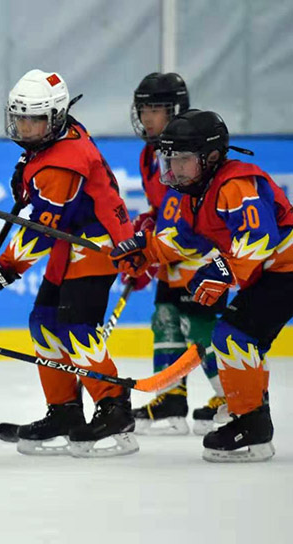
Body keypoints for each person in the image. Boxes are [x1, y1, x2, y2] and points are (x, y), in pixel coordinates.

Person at [0, 69, 137, 457]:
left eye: (35, 119)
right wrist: (29, 179)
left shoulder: (61, 165)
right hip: (71, 242)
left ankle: (114, 408)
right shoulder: (58, 137)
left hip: (97, 245)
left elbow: (42, 231)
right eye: (20, 118)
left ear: (55, 117)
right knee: (44, 323)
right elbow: (50, 214)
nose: (25, 128)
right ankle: (65, 412)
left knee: (77, 328)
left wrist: (2, 270)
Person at [111, 109, 293, 462]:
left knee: (236, 337)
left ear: (210, 157)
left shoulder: (234, 184)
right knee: (233, 337)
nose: (175, 168)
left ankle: (252, 425)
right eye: (171, 159)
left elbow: (260, 237)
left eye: (183, 160)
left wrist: (222, 269)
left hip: (285, 269)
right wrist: (145, 249)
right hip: (271, 272)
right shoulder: (194, 191)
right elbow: (183, 240)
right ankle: (248, 417)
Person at [129, 72, 227, 436]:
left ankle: (234, 398)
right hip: (169, 251)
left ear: (175, 109)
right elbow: (163, 208)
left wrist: (147, 250)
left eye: (155, 108)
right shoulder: (148, 155)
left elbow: (188, 209)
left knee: (201, 328)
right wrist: (146, 226)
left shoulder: (191, 149)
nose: (147, 116)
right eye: (143, 108)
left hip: (198, 253)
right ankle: (170, 401)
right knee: (166, 318)